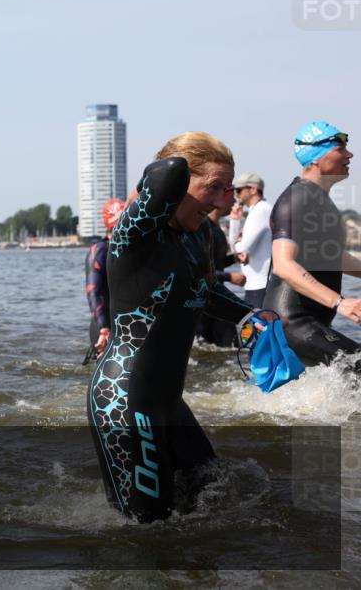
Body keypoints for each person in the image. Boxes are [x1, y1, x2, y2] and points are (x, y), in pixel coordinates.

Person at [87, 131, 276, 523]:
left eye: (229, 189)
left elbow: (203, 292)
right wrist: (181, 163)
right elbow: (166, 170)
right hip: (124, 399)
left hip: (168, 401)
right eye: (215, 188)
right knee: (148, 529)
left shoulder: (200, 234)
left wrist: (250, 317)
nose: (226, 201)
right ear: (178, 186)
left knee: (212, 492)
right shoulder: (136, 232)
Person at [264, 121, 361, 370]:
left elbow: (331, 257)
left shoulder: (319, 199)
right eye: (340, 148)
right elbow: (283, 266)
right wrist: (341, 303)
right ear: (316, 157)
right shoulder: (298, 197)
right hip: (294, 321)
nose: (349, 154)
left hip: (311, 323)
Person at [196, 208, 247, 347]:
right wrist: (229, 277)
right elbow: (198, 270)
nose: (234, 200)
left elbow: (215, 262)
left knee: (231, 345)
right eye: (230, 192)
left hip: (218, 294)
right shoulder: (200, 226)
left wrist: (233, 259)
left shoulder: (214, 227)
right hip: (203, 299)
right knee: (200, 347)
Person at [83, 199, 125, 364]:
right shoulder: (100, 250)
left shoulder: (133, 249)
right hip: (104, 325)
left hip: (125, 326)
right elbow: (93, 291)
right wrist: (104, 329)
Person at [228, 173, 272, 308]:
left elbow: (242, 248)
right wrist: (235, 221)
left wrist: (237, 247)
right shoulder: (257, 210)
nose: (236, 194)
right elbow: (236, 248)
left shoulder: (260, 210)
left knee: (257, 327)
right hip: (257, 283)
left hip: (261, 285)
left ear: (253, 189)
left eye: (239, 190)